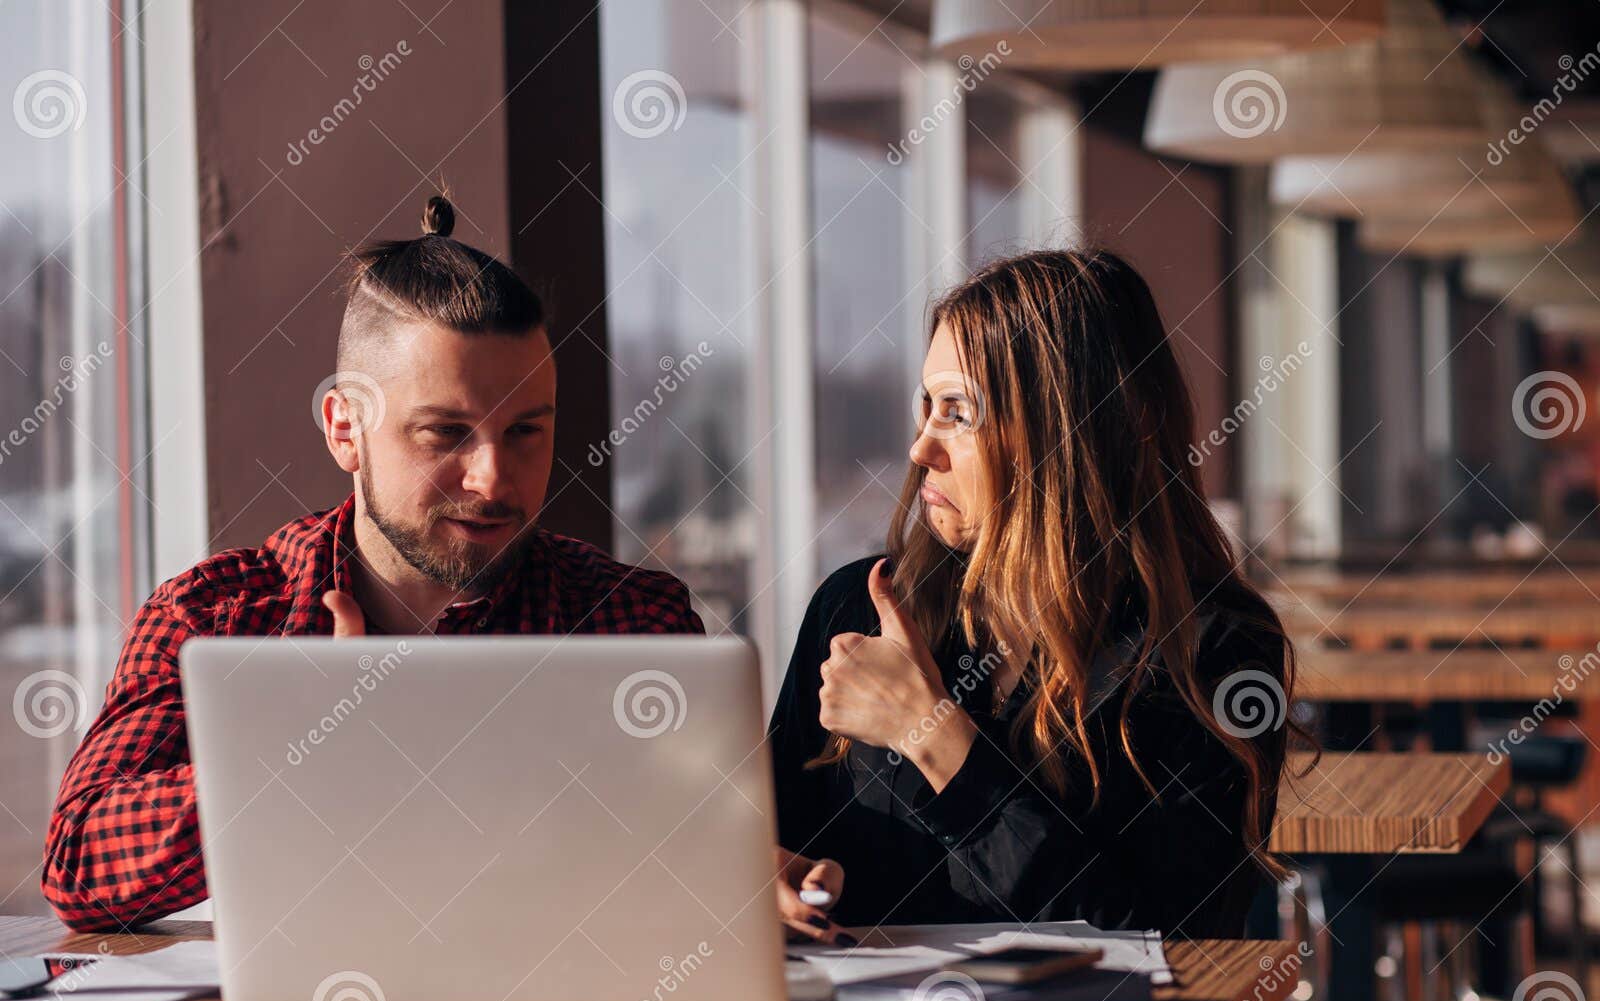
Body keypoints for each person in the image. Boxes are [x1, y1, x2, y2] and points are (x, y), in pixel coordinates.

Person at [43, 195, 704, 932]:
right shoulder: (216, 618)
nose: (492, 478)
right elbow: (78, 864)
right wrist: (297, 755)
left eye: (524, 431)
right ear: (344, 429)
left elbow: (711, 852)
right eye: (445, 433)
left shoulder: (633, 620)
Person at [769, 249, 1301, 943]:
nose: (920, 448)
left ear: (1075, 429)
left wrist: (932, 734)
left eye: (957, 412)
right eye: (926, 406)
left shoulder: (1214, 649)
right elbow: (763, 840)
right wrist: (767, 879)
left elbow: (1171, 941)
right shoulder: (854, 609)